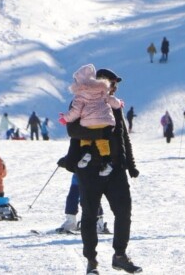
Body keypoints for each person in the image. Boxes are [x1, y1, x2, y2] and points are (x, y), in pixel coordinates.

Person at [60, 67, 141, 274]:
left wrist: (129, 164)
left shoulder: (113, 104)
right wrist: (100, 133)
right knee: (89, 215)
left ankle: (120, 256)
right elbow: (73, 130)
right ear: (102, 81)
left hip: (115, 168)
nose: (115, 87)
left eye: (116, 84)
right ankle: (91, 261)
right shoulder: (83, 97)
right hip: (89, 169)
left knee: (124, 211)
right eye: (112, 83)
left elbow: (122, 136)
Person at [59, 64, 122, 177]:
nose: (114, 88)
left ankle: (86, 153)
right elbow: (112, 100)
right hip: (106, 122)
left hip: (89, 122)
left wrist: (65, 118)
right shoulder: (103, 91)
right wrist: (119, 104)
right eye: (113, 84)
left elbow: (75, 112)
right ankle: (106, 162)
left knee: (85, 137)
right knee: (103, 141)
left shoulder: (80, 94)